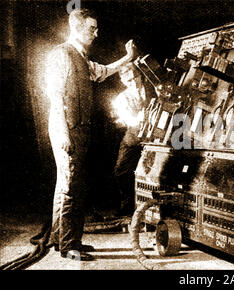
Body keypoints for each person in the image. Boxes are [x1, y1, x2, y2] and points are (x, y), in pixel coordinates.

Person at [45, 8, 136, 261]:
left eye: (96, 29)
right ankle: (69, 246)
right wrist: (63, 133)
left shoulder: (81, 57)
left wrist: (127, 58)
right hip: (68, 129)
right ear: (76, 27)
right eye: (91, 29)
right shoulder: (61, 54)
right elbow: (55, 97)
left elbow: (102, 72)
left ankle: (58, 238)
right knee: (70, 187)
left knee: (66, 185)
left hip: (78, 129)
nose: (96, 33)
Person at [112, 62, 157, 216]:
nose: (134, 83)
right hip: (134, 136)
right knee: (121, 170)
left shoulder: (154, 89)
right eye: (129, 81)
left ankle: (152, 208)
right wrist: (140, 118)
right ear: (123, 82)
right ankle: (128, 206)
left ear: (140, 75)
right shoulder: (121, 98)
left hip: (155, 137)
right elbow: (130, 121)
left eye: (136, 77)